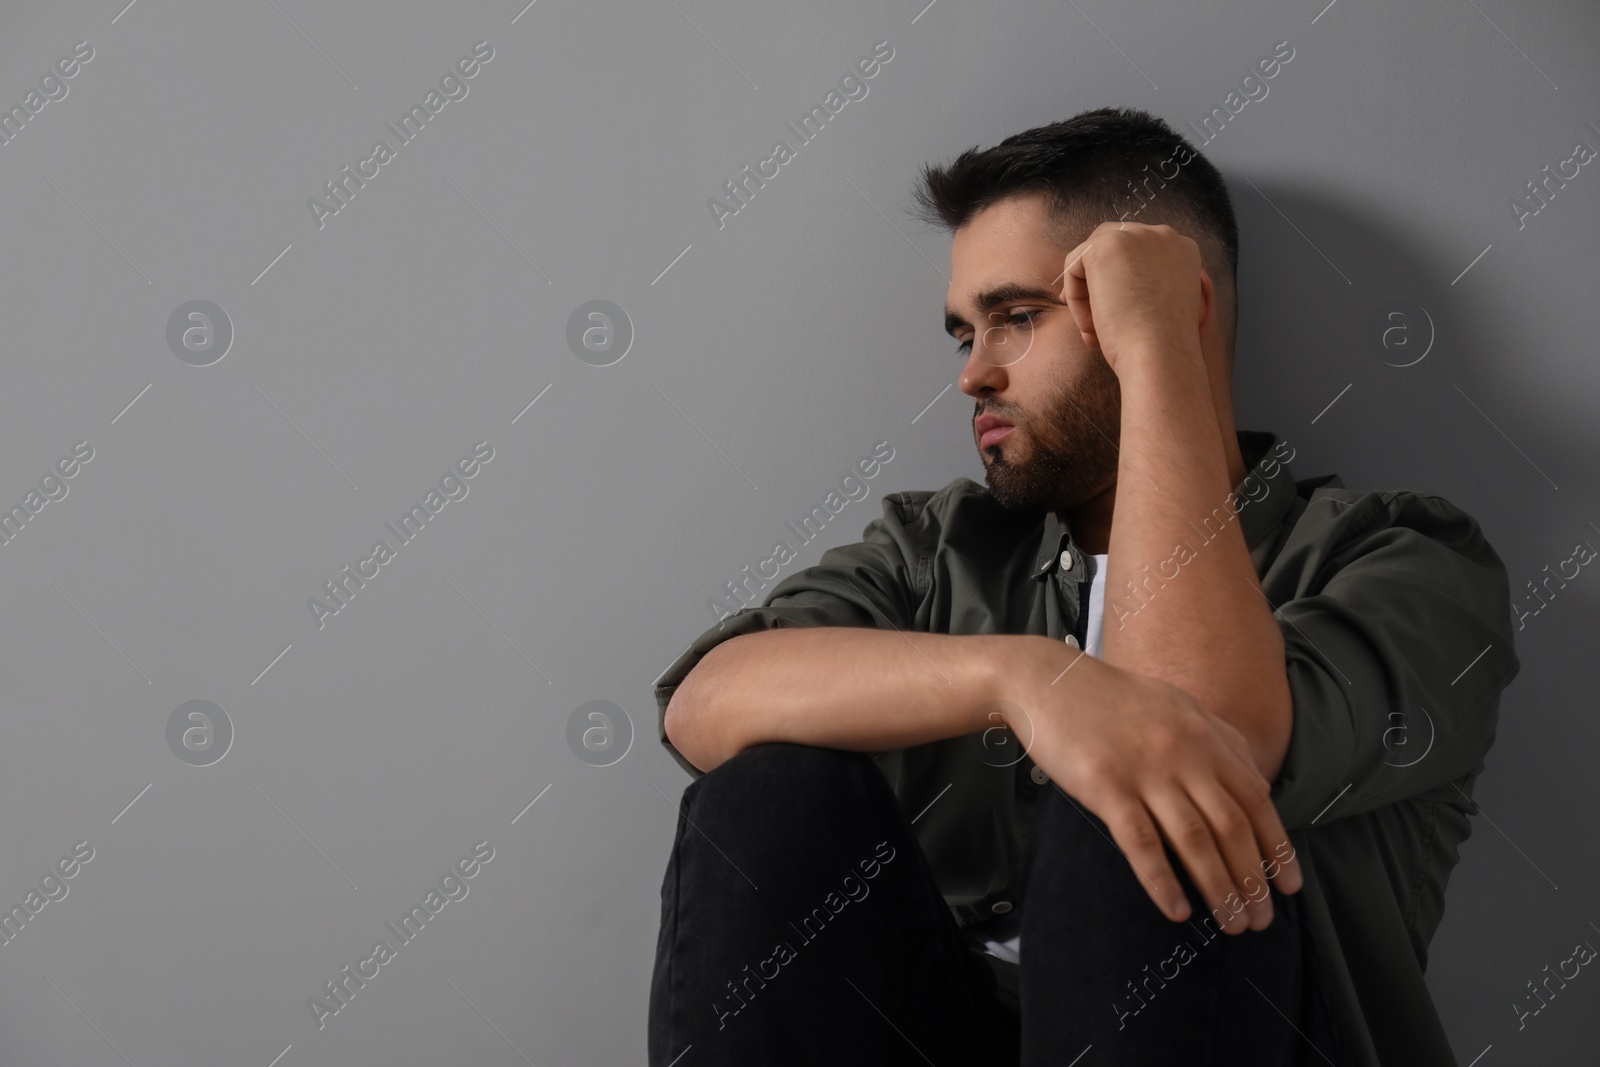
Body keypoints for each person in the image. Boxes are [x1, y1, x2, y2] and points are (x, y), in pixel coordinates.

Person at [647, 106, 1521, 1067]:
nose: (974, 373)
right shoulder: (938, 547)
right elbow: (708, 701)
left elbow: (1192, 721)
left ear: (1170, 304)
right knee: (769, 791)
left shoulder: (1401, 558)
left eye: (1018, 318)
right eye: (963, 332)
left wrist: (1158, 356)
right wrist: (1028, 680)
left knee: (1137, 794)